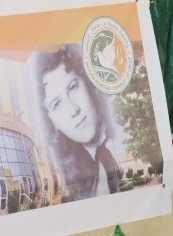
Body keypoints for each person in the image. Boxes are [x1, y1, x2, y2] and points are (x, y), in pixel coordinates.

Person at [30, 44, 123, 201]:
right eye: (57, 104)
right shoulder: (71, 179)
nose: (73, 110)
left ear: (87, 83)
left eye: (72, 88)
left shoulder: (119, 122)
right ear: (51, 121)